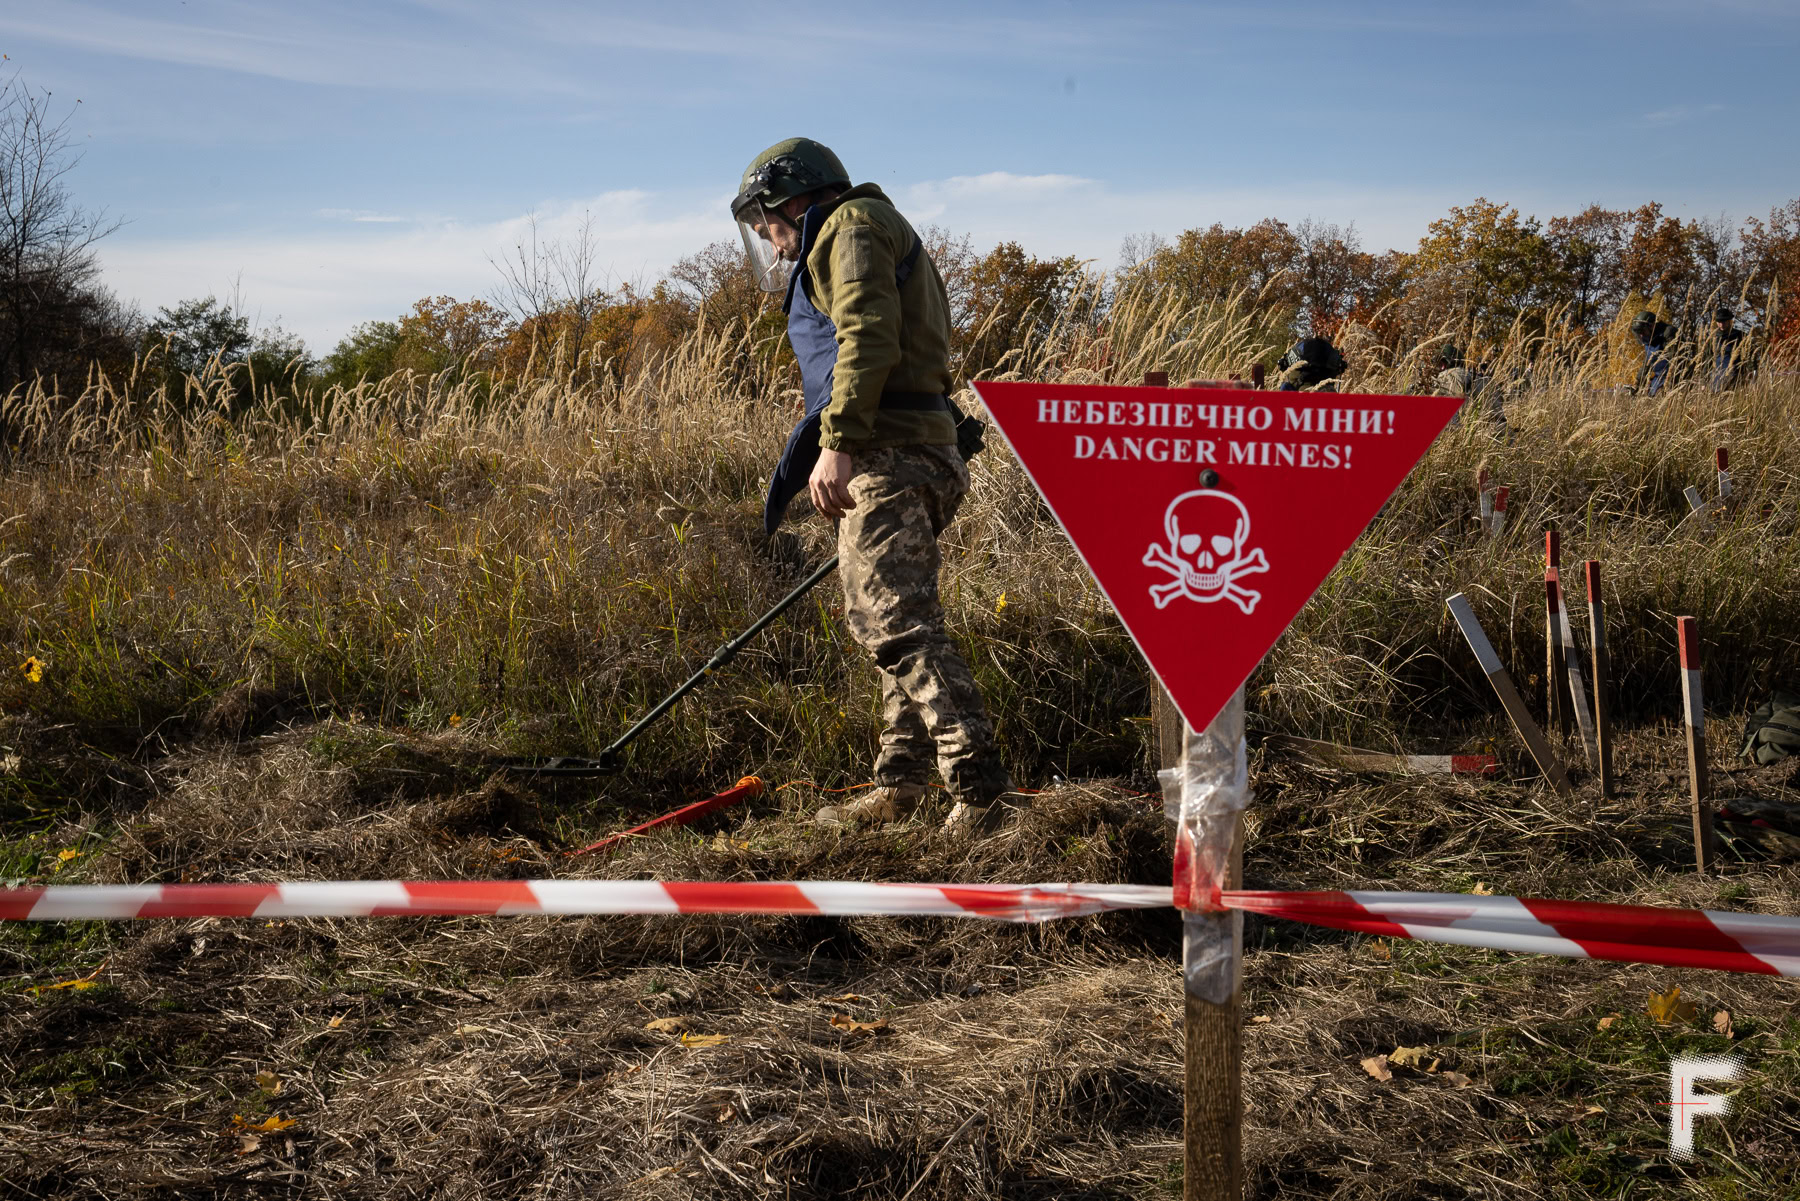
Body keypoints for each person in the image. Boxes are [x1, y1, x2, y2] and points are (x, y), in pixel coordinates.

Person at [731, 137, 1016, 834]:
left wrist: (840, 442)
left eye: (769, 227)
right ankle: (902, 787)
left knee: (896, 624)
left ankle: (979, 793)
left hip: (889, 454)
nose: (772, 248)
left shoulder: (850, 229)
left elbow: (868, 335)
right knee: (894, 621)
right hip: (911, 449)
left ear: (792, 201)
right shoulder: (867, 227)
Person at [1275, 334, 1346, 391]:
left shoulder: (1298, 351)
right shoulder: (1330, 355)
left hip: (1300, 394)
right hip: (1327, 392)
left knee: (1285, 387)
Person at [1630, 309, 1675, 396]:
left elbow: (1676, 361)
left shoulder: (1667, 334)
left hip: (1673, 376)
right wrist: (1637, 382)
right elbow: (1647, 363)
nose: (1641, 335)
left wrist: (1667, 383)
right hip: (1659, 378)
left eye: (1643, 331)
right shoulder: (1649, 339)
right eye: (1639, 333)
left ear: (1652, 326)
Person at [1710, 305, 1750, 392]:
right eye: (1719, 322)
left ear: (1729, 321)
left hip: (1735, 375)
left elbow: (1748, 356)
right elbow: (1707, 358)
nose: (1721, 324)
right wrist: (1704, 382)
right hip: (1716, 377)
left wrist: (1749, 374)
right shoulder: (1713, 337)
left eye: (1724, 321)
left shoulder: (1740, 335)